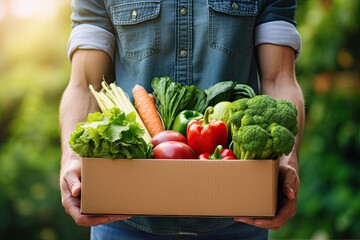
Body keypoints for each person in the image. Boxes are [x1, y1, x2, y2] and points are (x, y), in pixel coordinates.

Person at [60, 0, 304, 239]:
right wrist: (72, 159)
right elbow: (86, 84)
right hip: (123, 217)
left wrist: (287, 160)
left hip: (238, 214)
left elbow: (279, 78)